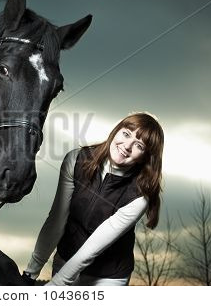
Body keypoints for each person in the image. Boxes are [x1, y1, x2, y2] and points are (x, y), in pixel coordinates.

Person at [22, 112, 164, 286]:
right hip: (66, 258)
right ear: (116, 131)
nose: (127, 146)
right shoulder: (75, 160)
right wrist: (31, 273)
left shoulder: (140, 196)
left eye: (139, 145)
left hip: (109, 276)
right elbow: (56, 219)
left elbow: (95, 244)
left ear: (146, 157)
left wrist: (56, 285)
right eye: (126, 134)